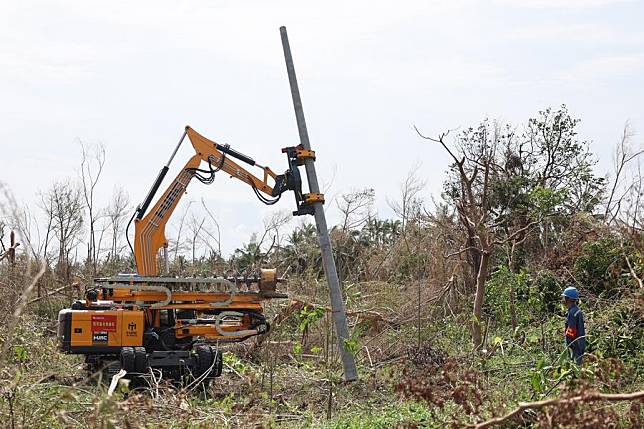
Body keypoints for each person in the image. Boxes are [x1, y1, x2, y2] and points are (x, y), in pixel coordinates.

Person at [562, 286, 586, 364]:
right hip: (580, 342)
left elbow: (571, 330)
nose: (563, 299)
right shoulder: (577, 310)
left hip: (574, 344)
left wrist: (569, 344)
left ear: (568, 299)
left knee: (575, 365)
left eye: (564, 297)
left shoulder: (572, 313)